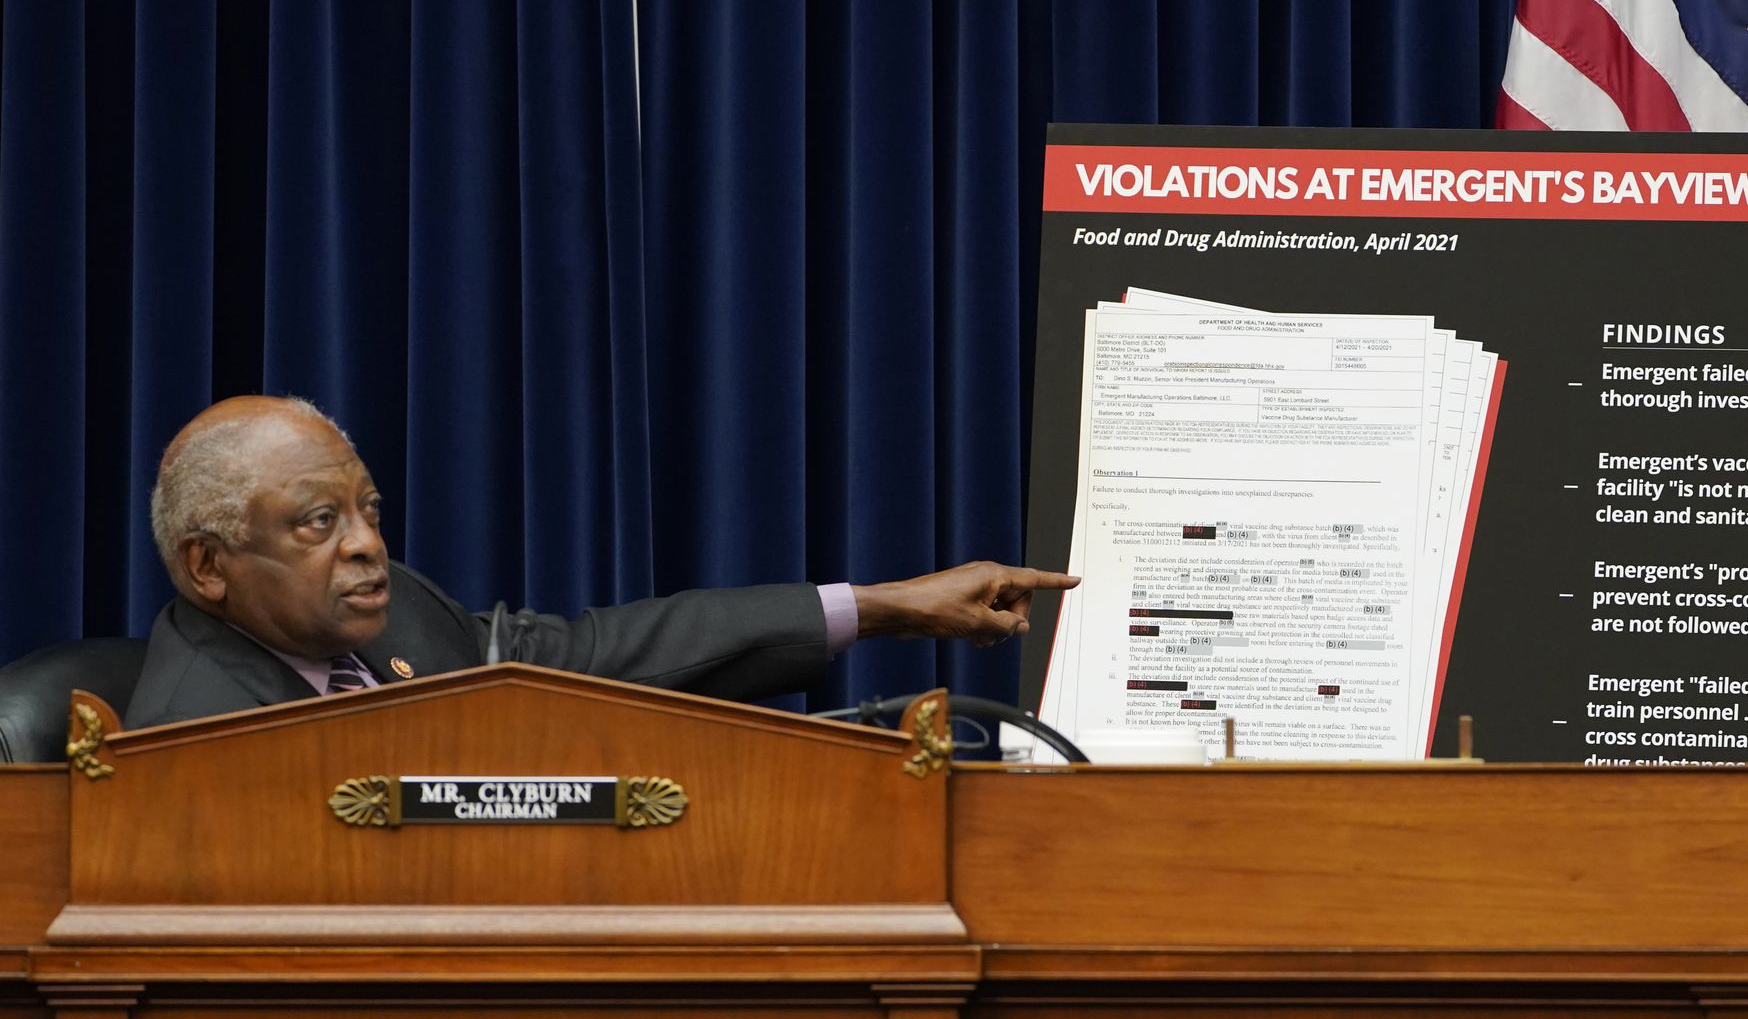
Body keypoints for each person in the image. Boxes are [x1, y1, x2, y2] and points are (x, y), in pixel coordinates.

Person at [124, 396, 1076, 728]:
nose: (368, 543)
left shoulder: (388, 608)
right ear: (208, 567)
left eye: (368, 510)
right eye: (318, 521)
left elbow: (596, 655)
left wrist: (887, 607)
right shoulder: (196, 739)